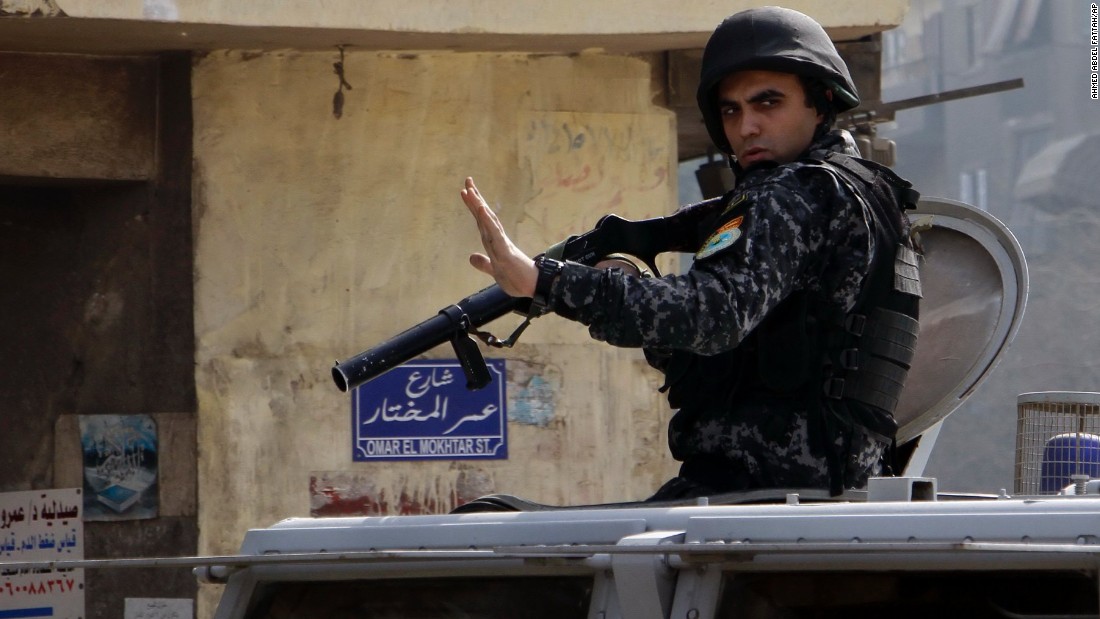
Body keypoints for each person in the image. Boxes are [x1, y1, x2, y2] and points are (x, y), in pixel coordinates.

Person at [460, 6, 921, 500]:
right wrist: (622, 284)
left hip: (759, 495)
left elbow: (714, 314)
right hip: (827, 491)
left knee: (492, 518)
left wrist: (547, 282)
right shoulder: (867, 195)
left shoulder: (792, 194)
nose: (747, 127)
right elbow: (740, 357)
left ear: (822, 100)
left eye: (768, 103)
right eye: (731, 111)